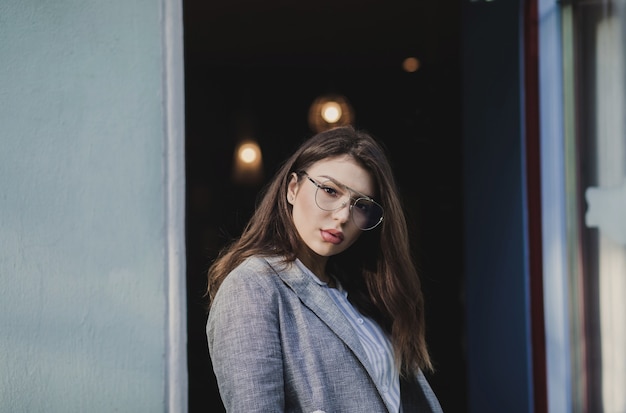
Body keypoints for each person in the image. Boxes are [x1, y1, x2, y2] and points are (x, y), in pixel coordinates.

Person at [206, 125, 443, 412]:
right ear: (292, 189)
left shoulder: (360, 293)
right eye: (330, 191)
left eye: (361, 205)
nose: (343, 216)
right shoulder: (252, 287)